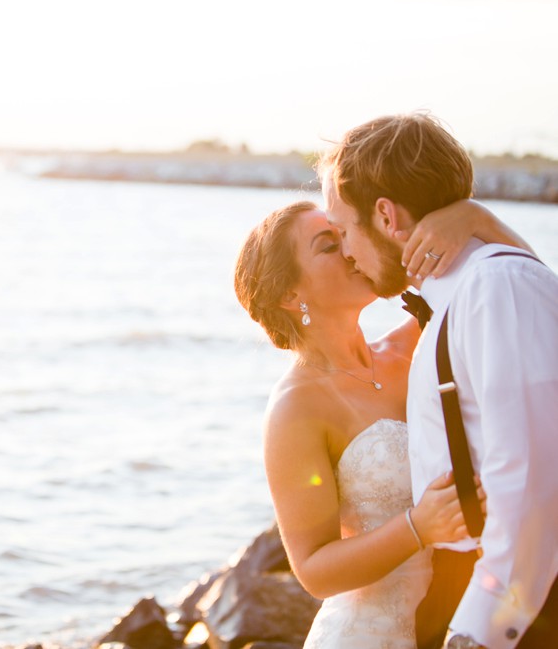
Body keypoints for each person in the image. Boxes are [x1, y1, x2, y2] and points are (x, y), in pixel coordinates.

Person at [233, 198, 528, 648]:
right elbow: (313, 569)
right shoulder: (295, 407)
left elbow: (528, 297)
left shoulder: (415, 343)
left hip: (465, 612)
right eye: (328, 245)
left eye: (345, 234)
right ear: (291, 295)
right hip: (369, 634)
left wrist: (476, 219)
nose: (351, 249)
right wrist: (418, 527)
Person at [318, 112, 558, 649]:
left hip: (508, 608)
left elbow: (533, 483)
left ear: (385, 215)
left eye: (343, 228)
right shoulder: (464, 297)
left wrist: (480, 630)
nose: (346, 250)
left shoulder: (498, 288)